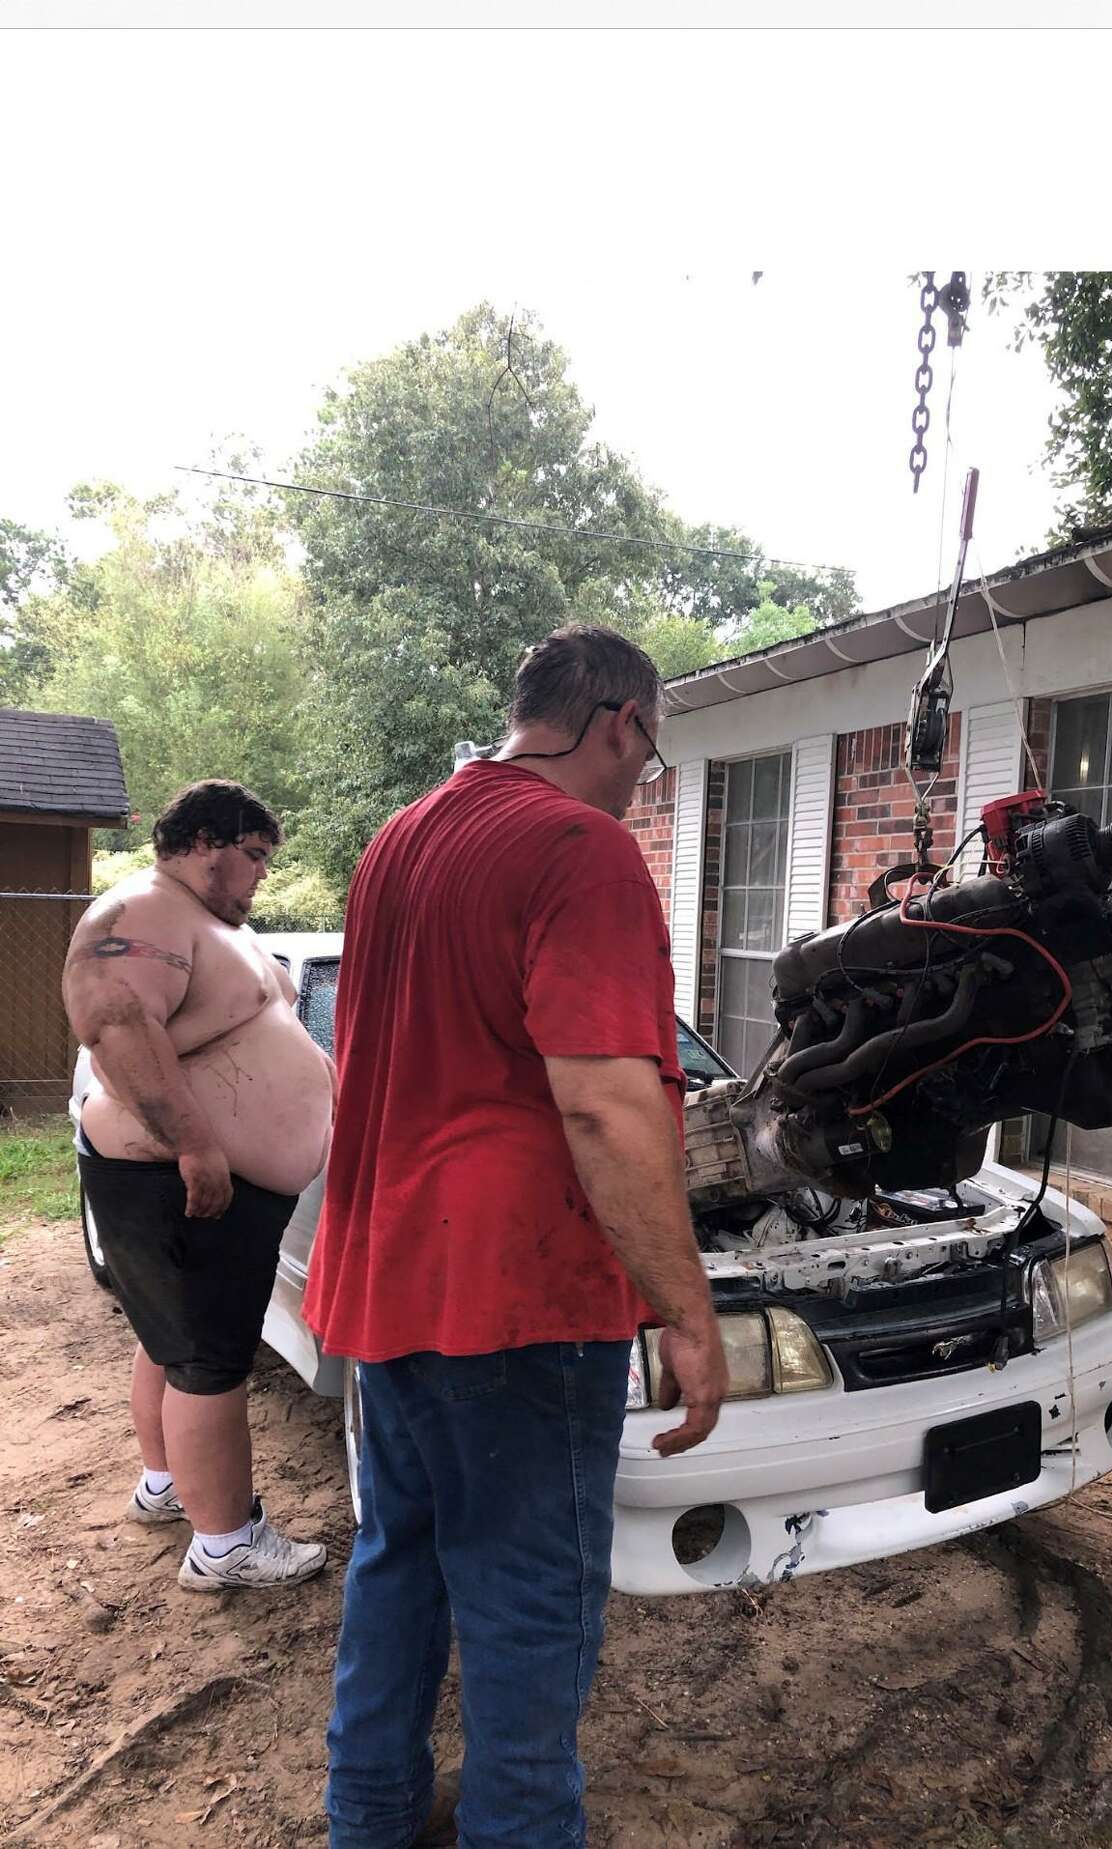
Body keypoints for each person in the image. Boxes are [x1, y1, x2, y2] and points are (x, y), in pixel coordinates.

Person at [305, 625, 729, 1849]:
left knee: (403, 1559)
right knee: (531, 1603)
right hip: (516, 1298)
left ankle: (370, 1817)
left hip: (389, 1275)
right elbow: (602, 1099)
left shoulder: (404, 836)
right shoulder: (580, 848)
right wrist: (686, 1311)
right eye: (650, 750)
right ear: (618, 724)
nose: (645, 778)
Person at [62, 779, 333, 1592]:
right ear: (206, 842)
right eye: (253, 857)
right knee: (211, 1360)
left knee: (170, 1341)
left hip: (205, 1182)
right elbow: (113, 1023)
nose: (259, 876)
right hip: (182, 1180)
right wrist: (197, 1146)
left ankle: (168, 1482)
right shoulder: (143, 910)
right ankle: (225, 1543)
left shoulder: (206, 922)